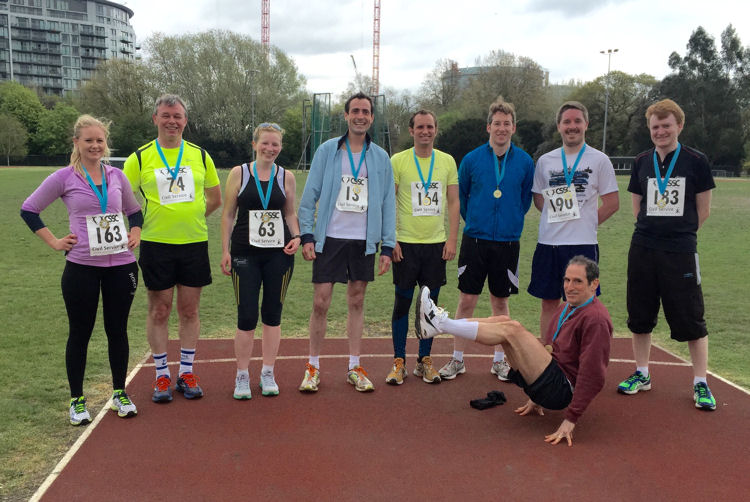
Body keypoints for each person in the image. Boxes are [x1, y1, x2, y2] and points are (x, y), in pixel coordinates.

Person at [20, 115, 142, 425]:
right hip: (82, 268)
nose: (95, 145)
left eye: (100, 140)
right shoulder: (63, 178)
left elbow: (134, 211)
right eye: (88, 140)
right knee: (80, 333)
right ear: (76, 143)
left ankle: (119, 392)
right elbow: (29, 209)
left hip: (121, 266)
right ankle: (77, 400)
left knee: (117, 331)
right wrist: (54, 241)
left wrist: (136, 232)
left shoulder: (117, 176)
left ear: (106, 144)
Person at [416, 256, 612, 446]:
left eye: (578, 281)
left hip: (561, 390)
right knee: (504, 322)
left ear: (594, 284)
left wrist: (571, 418)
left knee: (512, 330)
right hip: (547, 381)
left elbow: (594, 375)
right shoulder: (567, 307)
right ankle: (440, 325)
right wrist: (535, 396)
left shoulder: (596, 319)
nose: (569, 287)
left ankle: (440, 323)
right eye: (567, 280)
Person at [617, 99, 717, 411]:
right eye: (655, 126)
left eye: (666, 125)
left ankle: (701, 382)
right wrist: (652, 230)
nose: (660, 131)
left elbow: (704, 210)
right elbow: (637, 204)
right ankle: (642, 373)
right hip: (643, 247)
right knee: (640, 314)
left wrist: (679, 234)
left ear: (679, 126)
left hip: (680, 251)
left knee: (691, 317)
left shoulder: (695, 160)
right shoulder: (642, 160)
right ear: (650, 130)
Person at [123, 94, 222, 403]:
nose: (172, 121)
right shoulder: (138, 159)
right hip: (156, 246)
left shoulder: (200, 155)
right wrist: (141, 225)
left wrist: (190, 217)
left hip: (193, 243)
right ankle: (162, 375)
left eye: (177, 116)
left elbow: (215, 198)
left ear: (185, 121)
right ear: (155, 119)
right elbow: (122, 201)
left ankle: (187, 373)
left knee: (189, 310)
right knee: (160, 309)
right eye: (166, 115)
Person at [297, 92, 396, 393]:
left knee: (356, 301)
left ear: (372, 117)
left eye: (366, 111)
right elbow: (310, 194)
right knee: (320, 302)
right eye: (355, 111)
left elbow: (388, 203)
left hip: (363, 241)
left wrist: (387, 246)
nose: (360, 116)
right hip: (330, 238)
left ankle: (354, 365)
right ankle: (312, 366)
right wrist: (307, 234)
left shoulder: (379, 157)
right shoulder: (328, 151)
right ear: (346, 115)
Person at [440, 97, 535, 381]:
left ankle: (499, 361)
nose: (501, 128)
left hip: (507, 241)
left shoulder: (525, 161)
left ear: (513, 128)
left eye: (506, 124)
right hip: (475, 240)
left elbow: (525, 198)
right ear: (488, 127)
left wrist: (512, 219)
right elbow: (461, 197)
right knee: (467, 299)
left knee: (500, 303)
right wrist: (477, 221)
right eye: (497, 123)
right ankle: (457, 359)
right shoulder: (471, 159)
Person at [220, 123, 300, 399]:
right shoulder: (239, 173)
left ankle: (267, 372)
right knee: (246, 316)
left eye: (275, 144)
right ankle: (242, 375)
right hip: (245, 254)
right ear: (254, 144)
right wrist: (225, 250)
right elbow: (229, 213)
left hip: (279, 254)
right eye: (265, 143)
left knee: (272, 314)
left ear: (280, 147)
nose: (270, 148)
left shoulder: (285, 176)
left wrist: (298, 236)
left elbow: (290, 213)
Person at [528, 101, 619, 337]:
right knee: (548, 303)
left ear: (586, 124)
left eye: (577, 121)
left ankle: (577, 355)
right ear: (559, 126)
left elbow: (612, 203)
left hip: (582, 245)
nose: (572, 126)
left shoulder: (599, 160)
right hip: (549, 244)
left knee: (582, 305)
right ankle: (548, 356)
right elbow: (539, 199)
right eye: (566, 121)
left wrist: (586, 222)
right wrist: (557, 218)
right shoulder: (546, 161)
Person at [386, 110, 459, 385]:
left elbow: (454, 202)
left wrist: (451, 239)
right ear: (411, 130)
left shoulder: (447, 161)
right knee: (402, 304)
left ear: (436, 130)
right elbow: (387, 201)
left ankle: (424, 361)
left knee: (430, 309)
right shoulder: (399, 161)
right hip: (405, 245)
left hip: (435, 246)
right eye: (420, 127)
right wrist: (390, 238)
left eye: (429, 126)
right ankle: (399, 361)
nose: (425, 131)